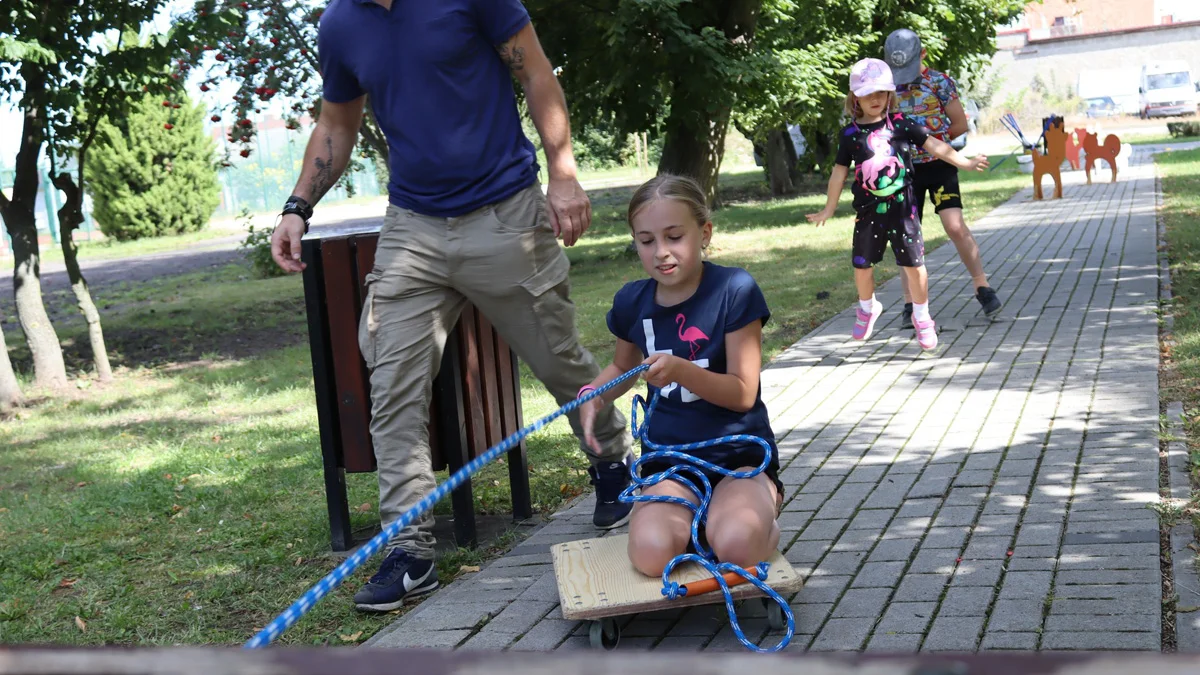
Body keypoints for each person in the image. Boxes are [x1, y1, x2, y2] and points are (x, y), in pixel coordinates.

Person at [269, 0, 636, 612]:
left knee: (560, 361)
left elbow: (537, 72)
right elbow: (337, 124)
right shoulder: (339, 24)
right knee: (392, 387)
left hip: (506, 212)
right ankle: (409, 549)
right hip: (413, 228)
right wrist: (296, 206)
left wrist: (563, 172)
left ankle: (615, 466)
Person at [577, 174, 783, 576]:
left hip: (737, 459)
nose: (661, 252)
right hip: (670, 462)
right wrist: (594, 395)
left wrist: (681, 371)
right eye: (647, 240)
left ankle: (755, 512)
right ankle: (696, 521)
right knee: (652, 556)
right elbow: (623, 366)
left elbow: (743, 393)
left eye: (674, 236)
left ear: (704, 233)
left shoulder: (735, 289)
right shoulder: (631, 300)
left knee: (738, 548)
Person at [806, 58, 987, 350]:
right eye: (867, 94)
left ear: (890, 95)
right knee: (862, 265)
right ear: (855, 99)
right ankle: (867, 307)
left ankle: (922, 316)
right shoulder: (850, 135)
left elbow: (935, 146)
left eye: (880, 93)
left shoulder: (902, 124)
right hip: (868, 213)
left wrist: (965, 163)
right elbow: (839, 173)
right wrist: (829, 208)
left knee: (915, 265)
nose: (874, 99)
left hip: (904, 211)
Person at [883, 28, 1003, 328]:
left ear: (923, 55)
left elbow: (960, 124)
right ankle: (910, 304)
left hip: (939, 165)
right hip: (903, 171)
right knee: (907, 235)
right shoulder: (885, 87)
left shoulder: (939, 82)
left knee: (955, 225)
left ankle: (982, 286)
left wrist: (930, 144)